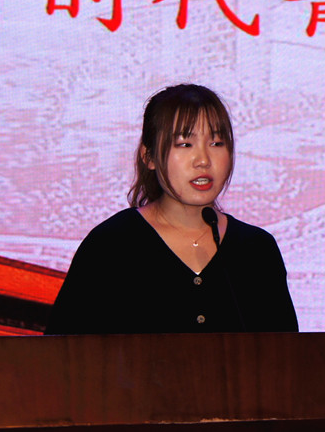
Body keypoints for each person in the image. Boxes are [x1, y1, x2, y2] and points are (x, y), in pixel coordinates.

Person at [45, 84, 298, 335]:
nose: (203, 160)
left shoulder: (257, 250)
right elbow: (63, 352)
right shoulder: (110, 245)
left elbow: (288, 354)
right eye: (185, 144)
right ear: (149, 157)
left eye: (217, 143)